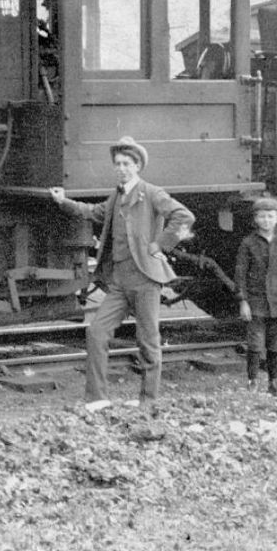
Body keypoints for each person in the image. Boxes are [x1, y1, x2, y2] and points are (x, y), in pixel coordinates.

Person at [50, 136, 195, 412]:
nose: (121, 168)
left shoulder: (152, 193)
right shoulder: (116, 196)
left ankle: (148, 400)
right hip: (119, 282)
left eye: (127, 163)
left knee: (148, 341)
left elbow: (184, 217)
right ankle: (97, 398)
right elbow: (93, 212)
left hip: (145, 281)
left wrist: (159, 245)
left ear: (137, 165)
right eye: (117, 163)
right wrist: (63, 201)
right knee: (96, 332)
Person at [233, 197, 277, 397]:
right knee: (255, 343)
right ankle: (252, 381)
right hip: (255, 302)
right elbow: (240, 274)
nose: (266, 220)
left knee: (275, 343)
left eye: (270, 216)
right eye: (262, 216)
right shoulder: (248, 243)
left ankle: (274, 382)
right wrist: (243, 301)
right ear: (255, 219)